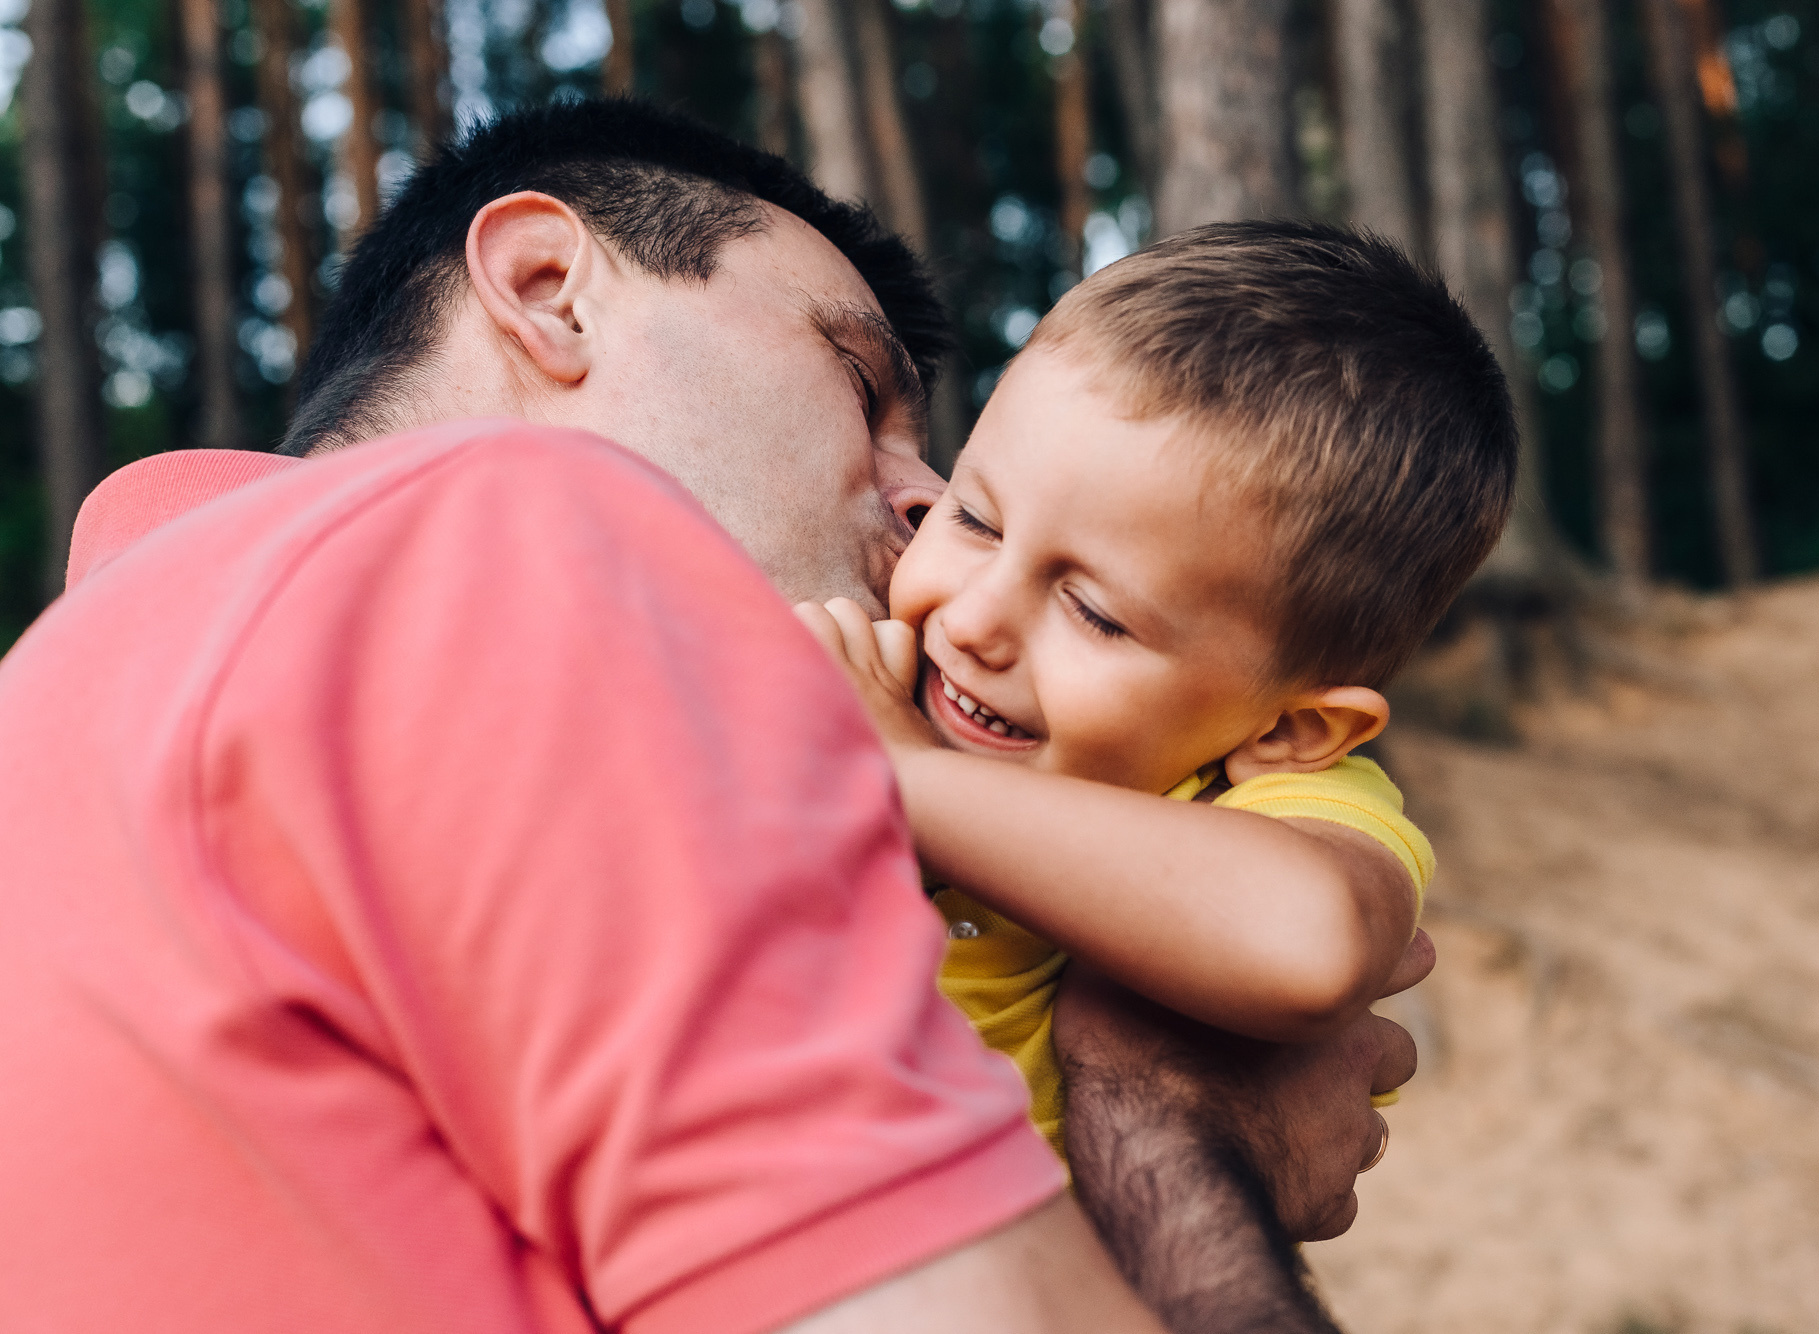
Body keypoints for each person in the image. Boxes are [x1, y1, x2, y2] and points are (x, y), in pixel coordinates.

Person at [0, 101, 1424, 1334]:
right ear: (551, 286)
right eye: (862, 387)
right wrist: (1181, 1126)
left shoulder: (102, 666)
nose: (923, 509)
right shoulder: (523, 540)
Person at [797, 223, 1514, 1160]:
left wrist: (908, 779)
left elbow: (1310, 946)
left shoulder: (1275, 807)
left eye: (1094, 613)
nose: (973, 621)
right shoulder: (860, 667)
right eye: (973, 519)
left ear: (1293, 727)